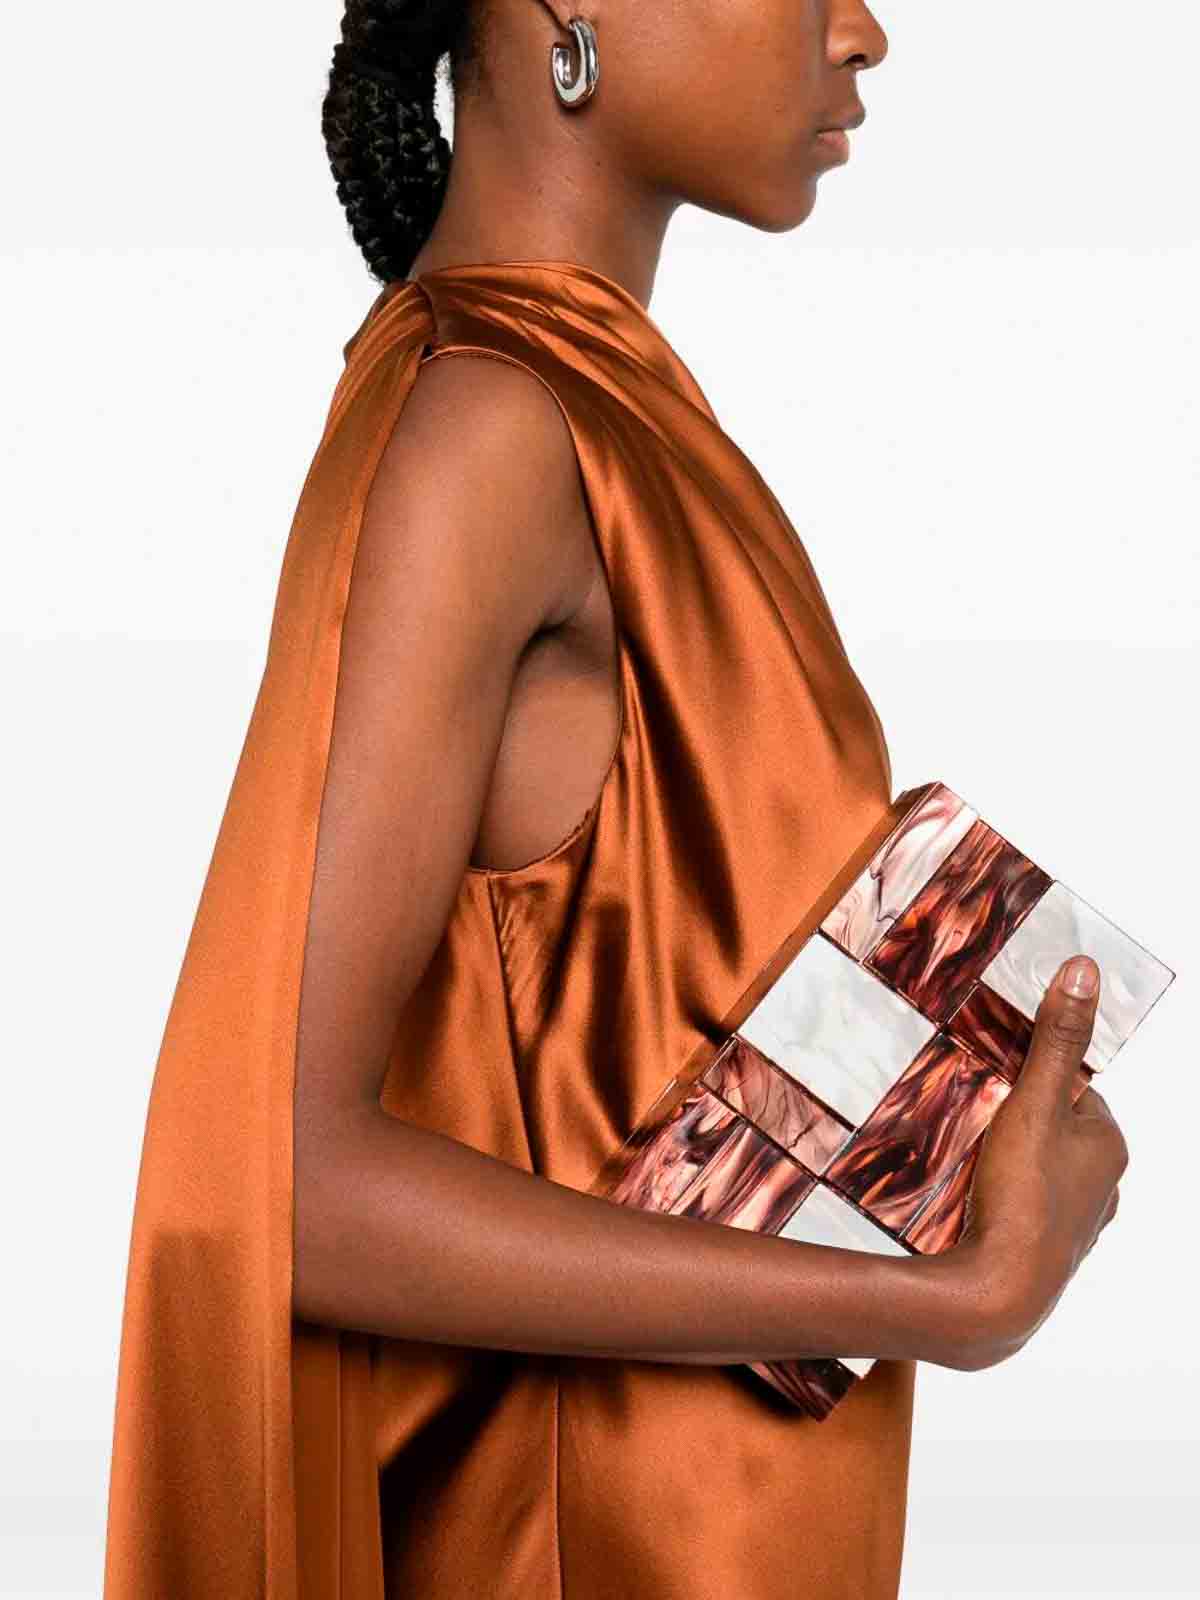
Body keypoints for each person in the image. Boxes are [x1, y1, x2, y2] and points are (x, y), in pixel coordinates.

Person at [102, 2, 1128, 1596]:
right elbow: (280, 1178)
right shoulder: (486, 425)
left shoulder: (602, 412)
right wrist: (941, 1301)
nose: (861, 31)